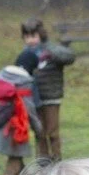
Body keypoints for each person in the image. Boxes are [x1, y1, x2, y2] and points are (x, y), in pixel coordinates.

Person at [16, 18, 75, 160]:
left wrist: (51, 54)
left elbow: (70, 56)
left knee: (52, 131)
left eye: (33, 36)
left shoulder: (51, 48)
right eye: (27, 37)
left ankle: (56, 160)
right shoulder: (25, 54)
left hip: (51, 96)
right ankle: (42, 162)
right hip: (33, 99)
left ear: (41, 35)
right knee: (39, 131)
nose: (30, 40)